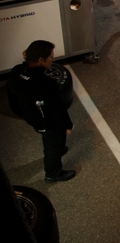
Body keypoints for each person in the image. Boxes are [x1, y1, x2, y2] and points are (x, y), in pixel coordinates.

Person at [7, 41, 76, 183]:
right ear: (40, 60)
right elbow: (57, 109)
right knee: (52, 145)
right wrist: (68, 125)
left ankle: (59, 149)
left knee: (53, 141)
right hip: (46, 121)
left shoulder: (17, 71)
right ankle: (53, 174)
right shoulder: (46, 83)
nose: (53, 59)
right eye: (51, 57)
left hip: (32, 117)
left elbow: (14, 96)